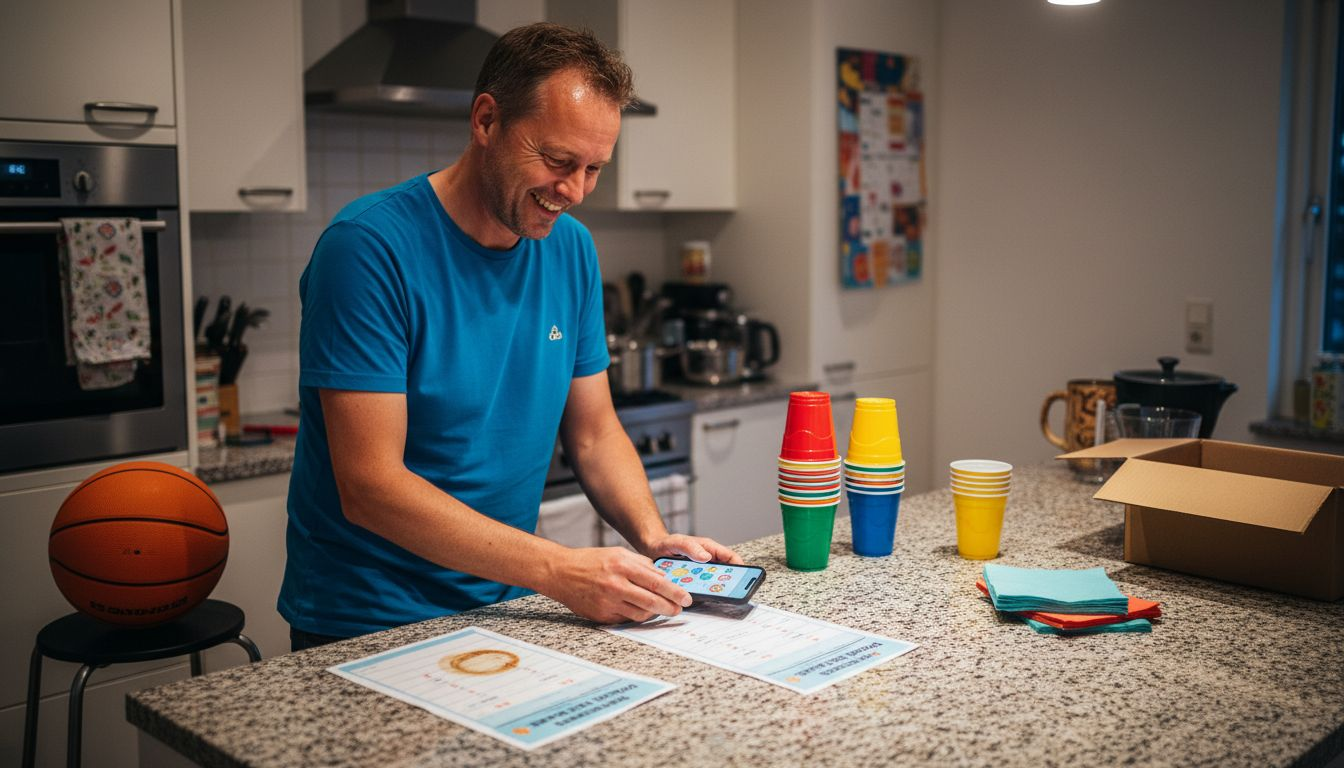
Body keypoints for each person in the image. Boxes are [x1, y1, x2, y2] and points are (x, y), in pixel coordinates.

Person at [279, 23, 741, 651]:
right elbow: (370, 487)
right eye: (557, 161)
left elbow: (594, 431)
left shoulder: (571, 249)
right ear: (486, 120)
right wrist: (559, 569)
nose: (573, 191)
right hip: (367, 620)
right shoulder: (366, 249)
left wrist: (652, 537)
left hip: (505, 608)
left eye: (593, 169)